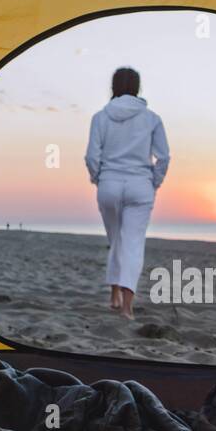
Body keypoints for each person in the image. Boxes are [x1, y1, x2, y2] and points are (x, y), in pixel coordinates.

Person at [84, 66, 170, 319]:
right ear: (137, 88)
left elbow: (92, 156)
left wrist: (98, 179)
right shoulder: (152, 118)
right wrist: (153, 182)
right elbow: (164, 157)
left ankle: (114, 295)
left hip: (109, 184)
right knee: (132, 244)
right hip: (140, 186)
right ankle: (126, 307)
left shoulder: (100, 117)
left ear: (113, 88)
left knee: (116, 241)